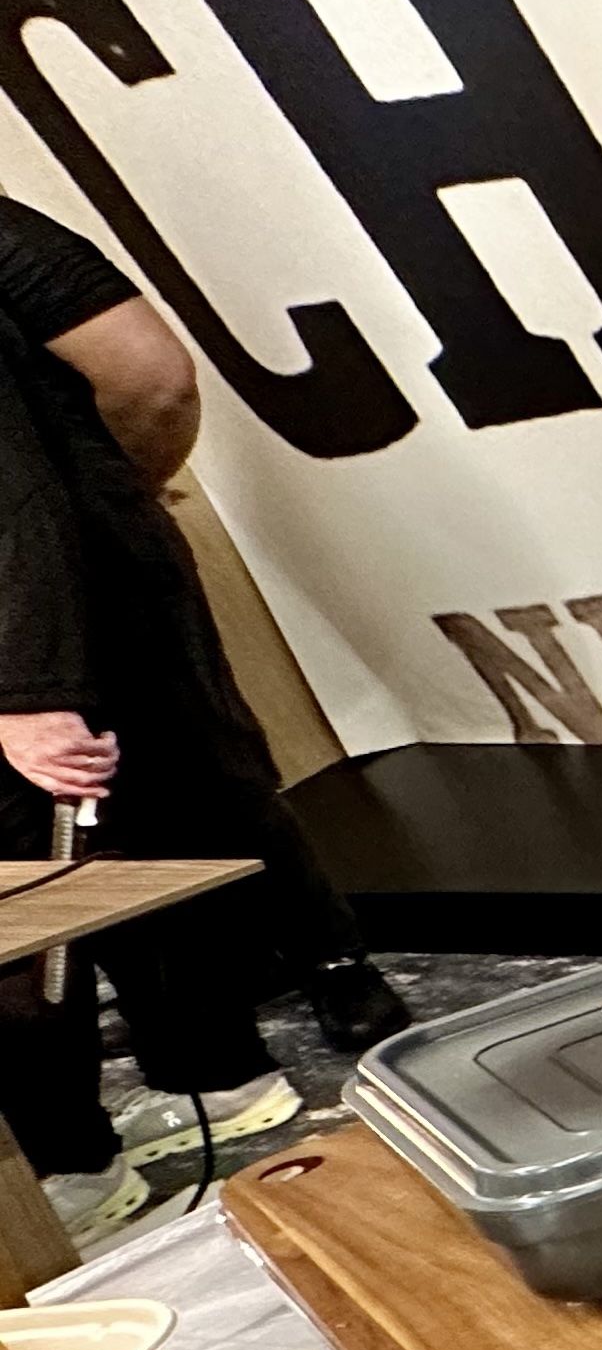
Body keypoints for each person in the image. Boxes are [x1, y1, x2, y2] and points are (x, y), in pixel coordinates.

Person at [0, 191, 409, 1238]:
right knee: (160, 815)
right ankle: (210, 1080)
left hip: (35, 613)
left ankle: (76, 1174)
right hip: (76, 582)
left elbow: (120, 398)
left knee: (59, 870)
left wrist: (29, 685)